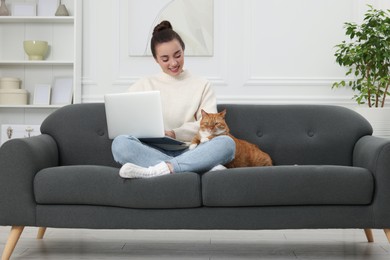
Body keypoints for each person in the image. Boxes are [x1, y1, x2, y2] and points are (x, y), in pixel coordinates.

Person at [111, 20, 235, 178]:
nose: (174, 63)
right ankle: (193, 165)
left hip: (192, 148)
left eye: (178, 55)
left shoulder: (202, 85)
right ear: (156, 59)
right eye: (165, 59)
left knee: (226, 143)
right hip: (152, 150)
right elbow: (126, 121)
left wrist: (174, 133)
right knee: (120, 144)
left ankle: (156, 170)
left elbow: (210, 126)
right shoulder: (143, 85)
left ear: (183, 50)